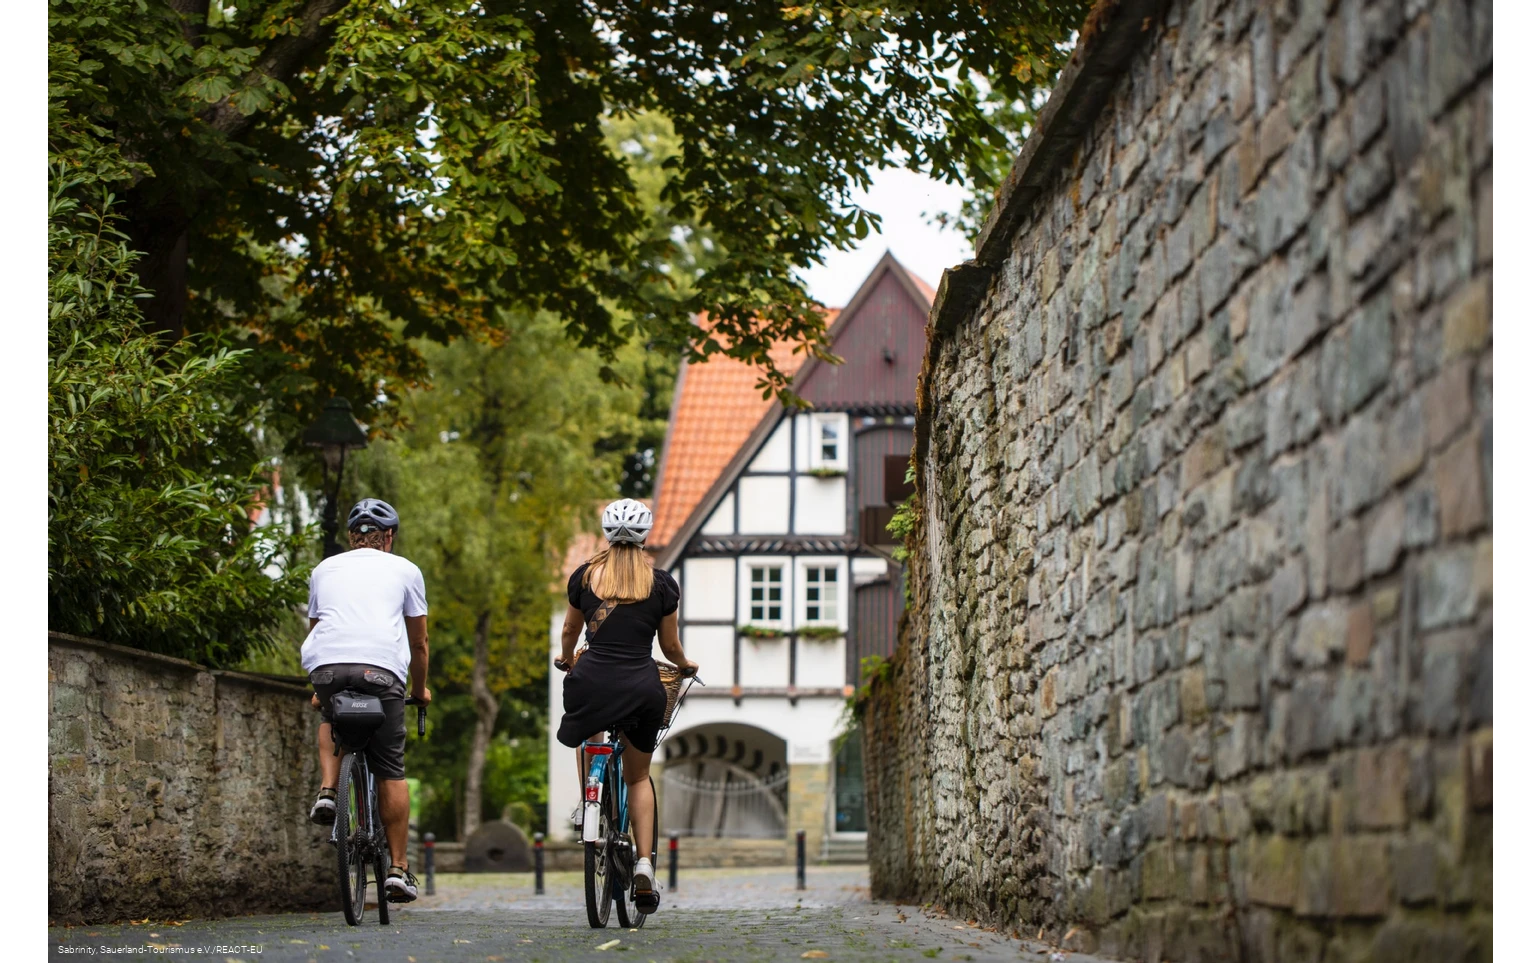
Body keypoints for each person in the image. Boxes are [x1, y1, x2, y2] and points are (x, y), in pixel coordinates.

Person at [555, 498, 696, 901]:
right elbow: (670, 646)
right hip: (641, 687)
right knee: (637, 777)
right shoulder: (662, 584)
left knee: (589, 732)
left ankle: (589, 801)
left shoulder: (584, 578)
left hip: (591, 681)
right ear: (645, 536)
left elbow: (569, 630)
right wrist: (686, 665)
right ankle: (644, 865)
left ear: (606, 534)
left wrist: (567, 659)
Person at [302, 497, 431, 903]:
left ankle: (327, 789)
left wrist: (317, 688)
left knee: (329, 715)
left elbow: (316, 628)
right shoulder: (406, 570)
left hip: (326, 667)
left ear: (349, 538)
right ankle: (398, 869)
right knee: (390, 767)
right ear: (388, 537)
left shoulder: (324, 569)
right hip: (380, 669)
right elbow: (419, 642)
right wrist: (418, 691)